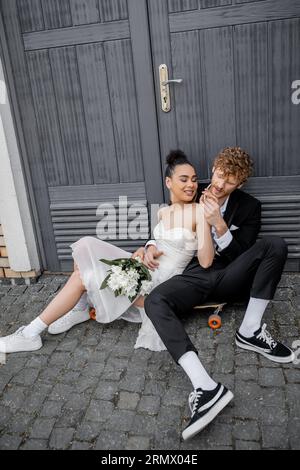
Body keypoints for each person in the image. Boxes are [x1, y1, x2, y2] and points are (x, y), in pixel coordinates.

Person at [143, 146, 295, 441]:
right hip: (195, 275)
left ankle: (250, 331)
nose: (221, 183)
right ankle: (205, 386)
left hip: (230, 275)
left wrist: (220, 225)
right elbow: (167, 221)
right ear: (213, 168)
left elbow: (244, 254)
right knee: (155, 300)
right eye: (220, 174)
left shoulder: (250, 207)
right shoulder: (192, 187)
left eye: (231, 180)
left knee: (275, 244)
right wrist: (149, 243)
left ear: (240, 184)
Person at [0, 150, 214, 358]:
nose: (191, 185)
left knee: (84, 276)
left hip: (160, 284)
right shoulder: (162, 211)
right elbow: (159, 243)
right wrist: (146, 248)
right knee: (84, 246)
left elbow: (205, 262)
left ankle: (31, 333)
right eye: (184, 179)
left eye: (194, 180)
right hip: (142, 268)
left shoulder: (198, 212)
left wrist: (208, 220)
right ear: (169, 182)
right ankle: (79, 308)